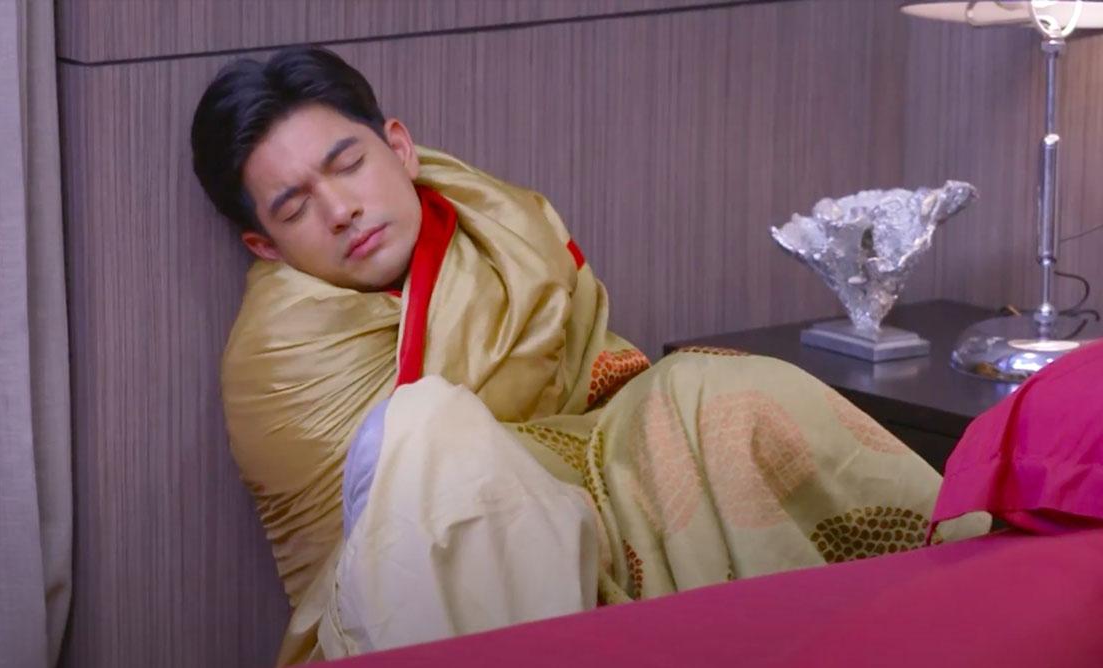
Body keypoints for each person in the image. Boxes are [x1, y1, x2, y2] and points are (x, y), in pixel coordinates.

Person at [190, 45, 987, 664]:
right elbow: (393, 522)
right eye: (295, 206)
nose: (340, 209)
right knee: (432, 430)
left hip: (600, 482)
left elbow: (606, 384)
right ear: (265, 245)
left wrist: (652, 423)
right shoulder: (282, 356)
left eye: (348, 164)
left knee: (713, 389)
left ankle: (975, 587)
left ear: (399, 147)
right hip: (409, 594)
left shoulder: (499, 225)